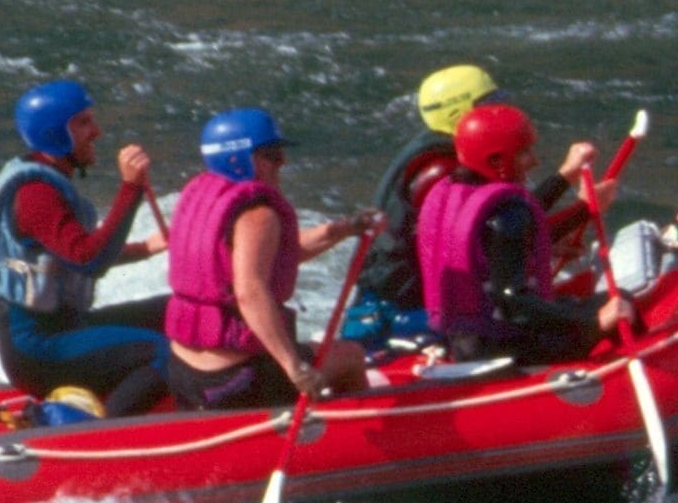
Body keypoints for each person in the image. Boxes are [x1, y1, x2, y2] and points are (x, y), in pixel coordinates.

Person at [351, 63, 608, 340]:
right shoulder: (442, 172)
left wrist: (565, 178)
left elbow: (506, 218)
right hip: (405, 309)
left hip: (426, 295)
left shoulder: (455, 155)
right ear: (458, 115)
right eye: (489, 103)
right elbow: (484, 243)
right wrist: (582, 211)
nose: (500, 110)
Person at [0, 80, 174, 414]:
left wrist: (145, 247)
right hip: (38, 349)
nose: (97, 132)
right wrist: (131, 189)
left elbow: (69, 252)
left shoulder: (46, 180)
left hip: (63, 329)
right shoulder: (35, 193)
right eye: (84, 123)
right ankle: (106, 432)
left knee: (175, 310)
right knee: (164, 352)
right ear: (54, 134)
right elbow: (89, 260)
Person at [161, 107, 377, 412]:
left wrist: (346, 228)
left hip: (184, 371)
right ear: (238, 159)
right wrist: (295, 368)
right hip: (236, 379)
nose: (282, 163)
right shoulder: (258, 215)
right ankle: (345, 432)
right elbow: (250, 292)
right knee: (351, 356)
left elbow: (278, 254)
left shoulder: (201, 198)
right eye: (272, 155)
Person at [414, 103, 630, 368]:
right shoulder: (507, 214)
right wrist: (593, 322)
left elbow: (517, 232)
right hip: (502, 347)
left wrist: (567, 180)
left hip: (460, 342)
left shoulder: (454, 191)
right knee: (619, 302)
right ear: (496, 161)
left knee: (579, 304)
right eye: (524, 152)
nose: (534, 160)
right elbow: (512, 301)